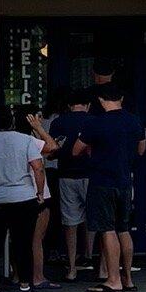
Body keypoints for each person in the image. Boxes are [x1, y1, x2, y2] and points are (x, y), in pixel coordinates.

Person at [74, 86, 146, 292]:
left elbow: (76, 150)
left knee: (107, 229)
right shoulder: (134, 121)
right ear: (121, 97)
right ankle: (128, 278)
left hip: (101, 180)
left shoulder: (95, 123)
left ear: (100, 100)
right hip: (125, 180)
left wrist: (93, 150)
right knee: (123, 228)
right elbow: (141, 149)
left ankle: (113, 279)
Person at [0, 103, 45, 292]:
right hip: (22, 197)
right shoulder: (26, 141)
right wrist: (39, 192)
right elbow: (38, 168)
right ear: (12, 121)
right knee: (23, 242)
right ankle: (25, 285)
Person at [47, 89, 93, 280]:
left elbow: (52, 150)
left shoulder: (59, 122)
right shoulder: (93, 120)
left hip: (66, 175)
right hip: (91, 175)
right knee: (95, 219)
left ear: (68, 106)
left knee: (70, 222)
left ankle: (72, 267)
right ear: (88, 105)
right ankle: (90, 257)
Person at [17, 106, 60, 290]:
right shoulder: (30, 141)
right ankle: (38, 276)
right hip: (36, 193)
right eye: (38, 117)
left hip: (16, 195)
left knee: (19, 238)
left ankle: (17, 274)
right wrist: (40, 130)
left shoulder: (11, 139)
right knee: (36, 239)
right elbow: (53, 148)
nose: (41, 120)